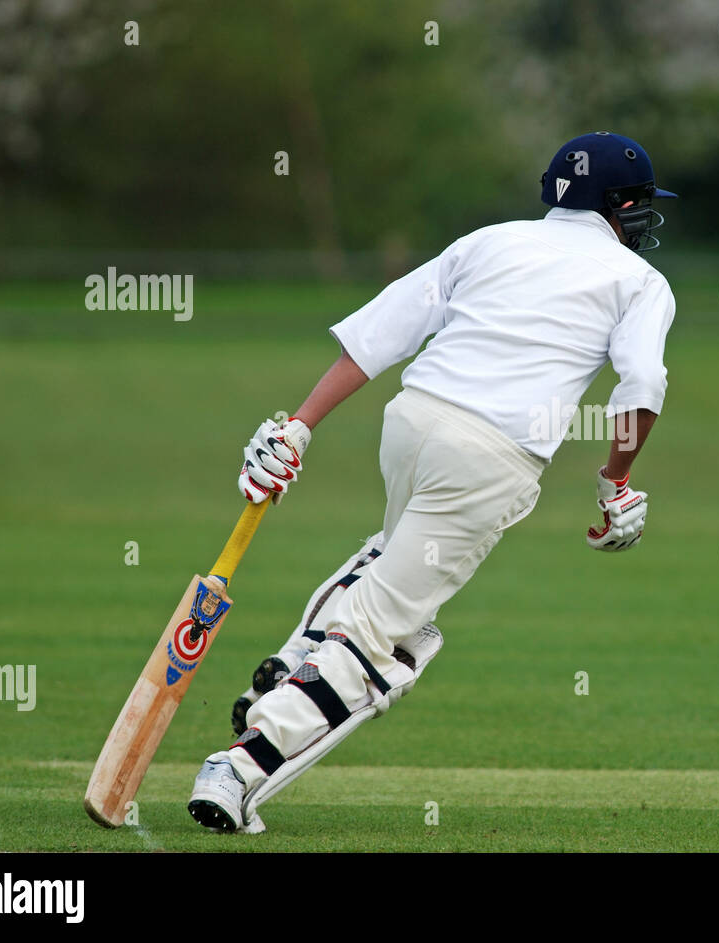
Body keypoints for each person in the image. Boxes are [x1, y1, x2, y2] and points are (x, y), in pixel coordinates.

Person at [187, 131, 678, 832]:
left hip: (411, 422)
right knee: (390, 638)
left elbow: (379, 335)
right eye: (638, 204)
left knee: (390, 558)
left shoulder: (489, 241)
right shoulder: (640, 282)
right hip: (488, 458)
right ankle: (241, 765)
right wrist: (615, 481)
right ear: (618, 204)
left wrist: (300, 425)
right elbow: (642, 384)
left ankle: (299, 656)